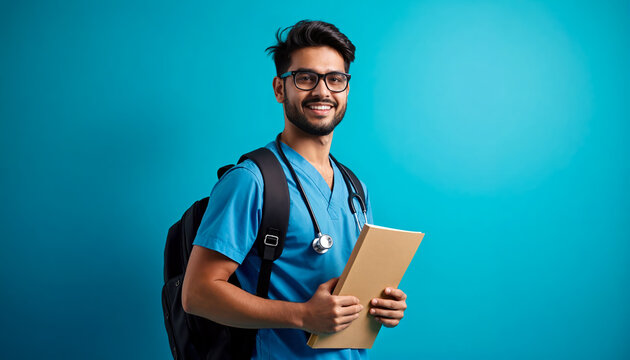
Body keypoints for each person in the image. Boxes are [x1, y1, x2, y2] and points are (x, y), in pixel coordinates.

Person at [182, 20, 408, 359]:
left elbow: (348, 292)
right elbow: (197, 293)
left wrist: (383, 305)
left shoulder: (355, 188)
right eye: (306, 78)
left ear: (346, 89)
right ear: (279, 89)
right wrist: (302, 315)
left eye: (335, 79)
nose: (322, 91)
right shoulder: (252, 180)